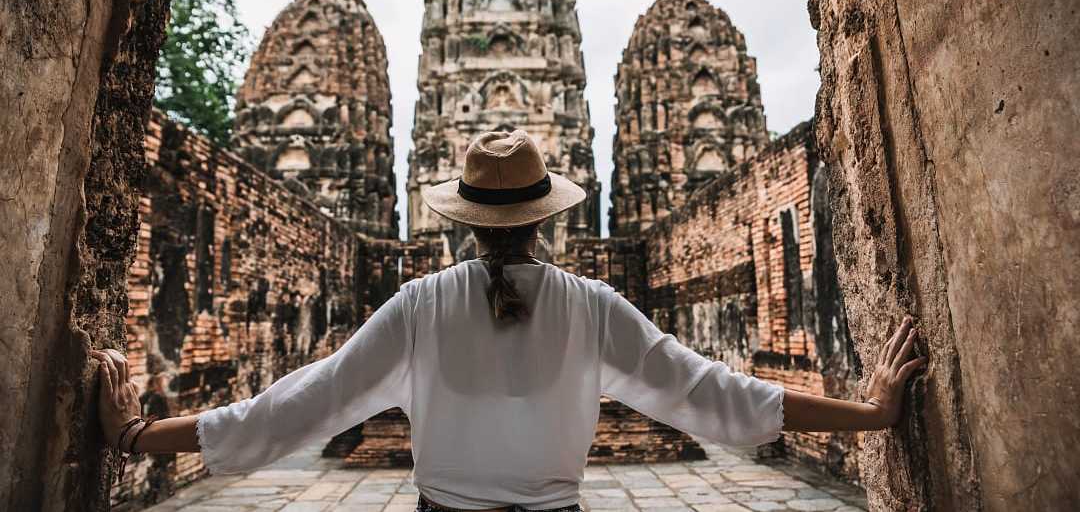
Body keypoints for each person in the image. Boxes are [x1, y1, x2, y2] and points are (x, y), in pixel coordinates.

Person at [92, 129, 926, 512]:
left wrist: (138, 436)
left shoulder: (420, 306)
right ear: (547, 216)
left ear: (462, 221)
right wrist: (874, 411)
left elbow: (298, 406)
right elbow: (721, 396)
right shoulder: (593, 307)